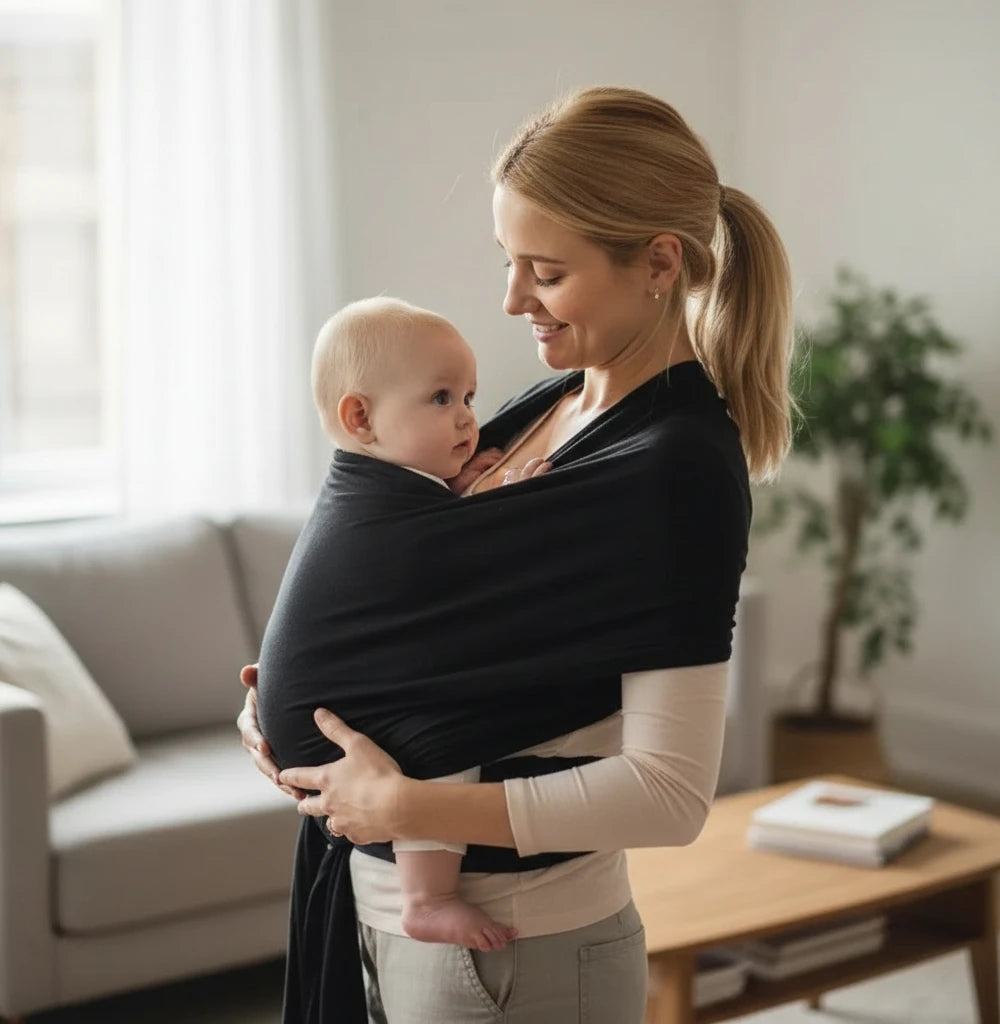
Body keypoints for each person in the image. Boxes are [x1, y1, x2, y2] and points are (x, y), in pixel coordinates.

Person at [239, 85, 794, 1024]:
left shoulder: (676, 467)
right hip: (378, 910)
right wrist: (290, 706)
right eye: (507, 262)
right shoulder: (553, 407)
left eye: (544, 270)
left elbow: (668, 794)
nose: (510, 300)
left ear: (659, 263)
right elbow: (429, 617)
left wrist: (406, 808)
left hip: (513, 951)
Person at [261, 295, 534, 954]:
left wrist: (463, 492)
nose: (469, 418)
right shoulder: (381, 511)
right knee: (443, 732)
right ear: (361, 418)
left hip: (308, 703)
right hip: (324, 720)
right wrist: (510, 503)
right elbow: (464, 567)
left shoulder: (381, 490)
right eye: (441, 399)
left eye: (470, 395)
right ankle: (428, 897)